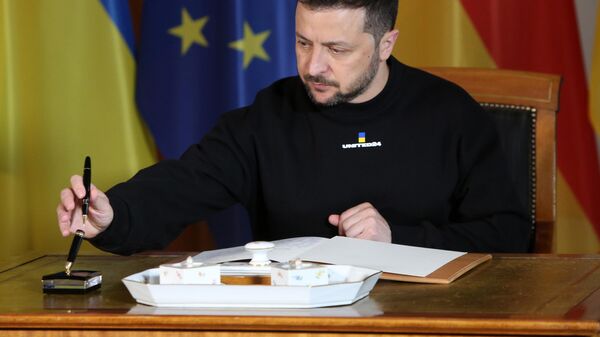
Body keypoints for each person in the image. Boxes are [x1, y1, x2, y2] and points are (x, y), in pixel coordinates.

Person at [57, 0, 531, 255]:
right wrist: (112, 213)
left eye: (337, 50)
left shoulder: (450, 112)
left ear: (386, 43)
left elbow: (508, 234)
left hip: (429, 326)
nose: (313, 65)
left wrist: (397, 240)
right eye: (303, 42)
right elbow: (184, 183)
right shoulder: (271, 113)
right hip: (298, 328)